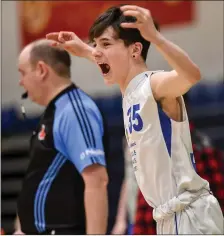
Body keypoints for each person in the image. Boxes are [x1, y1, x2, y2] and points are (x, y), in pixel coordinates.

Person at [46, 4, 224, 234]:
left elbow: (191, 75)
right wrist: (84, 50)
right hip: (168, 217)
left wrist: (156, 37)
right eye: (95, 44)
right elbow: (113, 62)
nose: (97, 51)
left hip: (191, 216)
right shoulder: (130, 91)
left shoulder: (153, 84)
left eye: (106, 44)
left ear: (135, 50)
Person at [15, 39, 108, 235]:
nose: (20, 82)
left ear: (41, 69)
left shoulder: (75, 109)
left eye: (23, 73)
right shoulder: (54, 111)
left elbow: (96, 180)